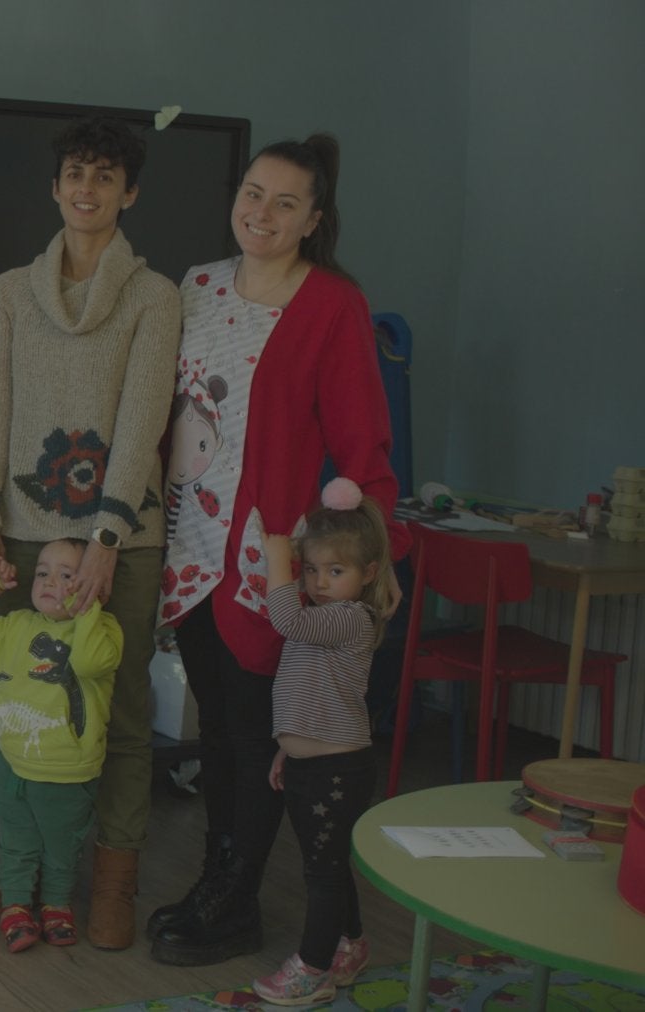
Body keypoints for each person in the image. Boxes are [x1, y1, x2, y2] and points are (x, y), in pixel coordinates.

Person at [149, 134, 405, 968]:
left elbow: (365, 446)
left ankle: (237, 902)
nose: (262, 212)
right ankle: (218, 879)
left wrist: (376, 559)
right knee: (216, 729)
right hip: (189, 546)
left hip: (268, 561)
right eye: (254, 193)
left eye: (285, 203)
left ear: (312, 221)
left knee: (259, 739)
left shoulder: (332, 304)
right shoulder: (196, 286)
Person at [0, 117, 179, 949]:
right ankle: (23, 871)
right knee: (20, 704)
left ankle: (111, 882)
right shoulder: (12, 292)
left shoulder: (155, 297)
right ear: (55, 188)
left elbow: (143, 419)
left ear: (130, 192)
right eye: (75, 174)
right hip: (21, 525)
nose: (87, 189)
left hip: (118, 537)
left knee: (117, 714)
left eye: (106, 176)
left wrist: (106, 538)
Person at [249, 479, 394, 1005]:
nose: (321, 581)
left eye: (336, 571)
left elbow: (284, 617)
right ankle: (350, 945)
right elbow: (312, 690)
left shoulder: (351, 617)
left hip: (338, 769)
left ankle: (312, 969)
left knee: (324, 872)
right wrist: (288, 746)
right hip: (313, 765)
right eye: (312, 570)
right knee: (326, 861)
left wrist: (277, 559)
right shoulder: (323, 619)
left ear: (368, 574)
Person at [0, 539, 122, 952]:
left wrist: (86, 608)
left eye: (68, 576)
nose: (49, 581)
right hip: (12, 764)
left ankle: (56, 905)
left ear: (94, 586)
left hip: (68, 772)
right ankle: (14, 905)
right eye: (43, 572)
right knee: (15, 842)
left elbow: (85, 663)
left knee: (61, 848)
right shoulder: (16, 623)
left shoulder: (103, 630)